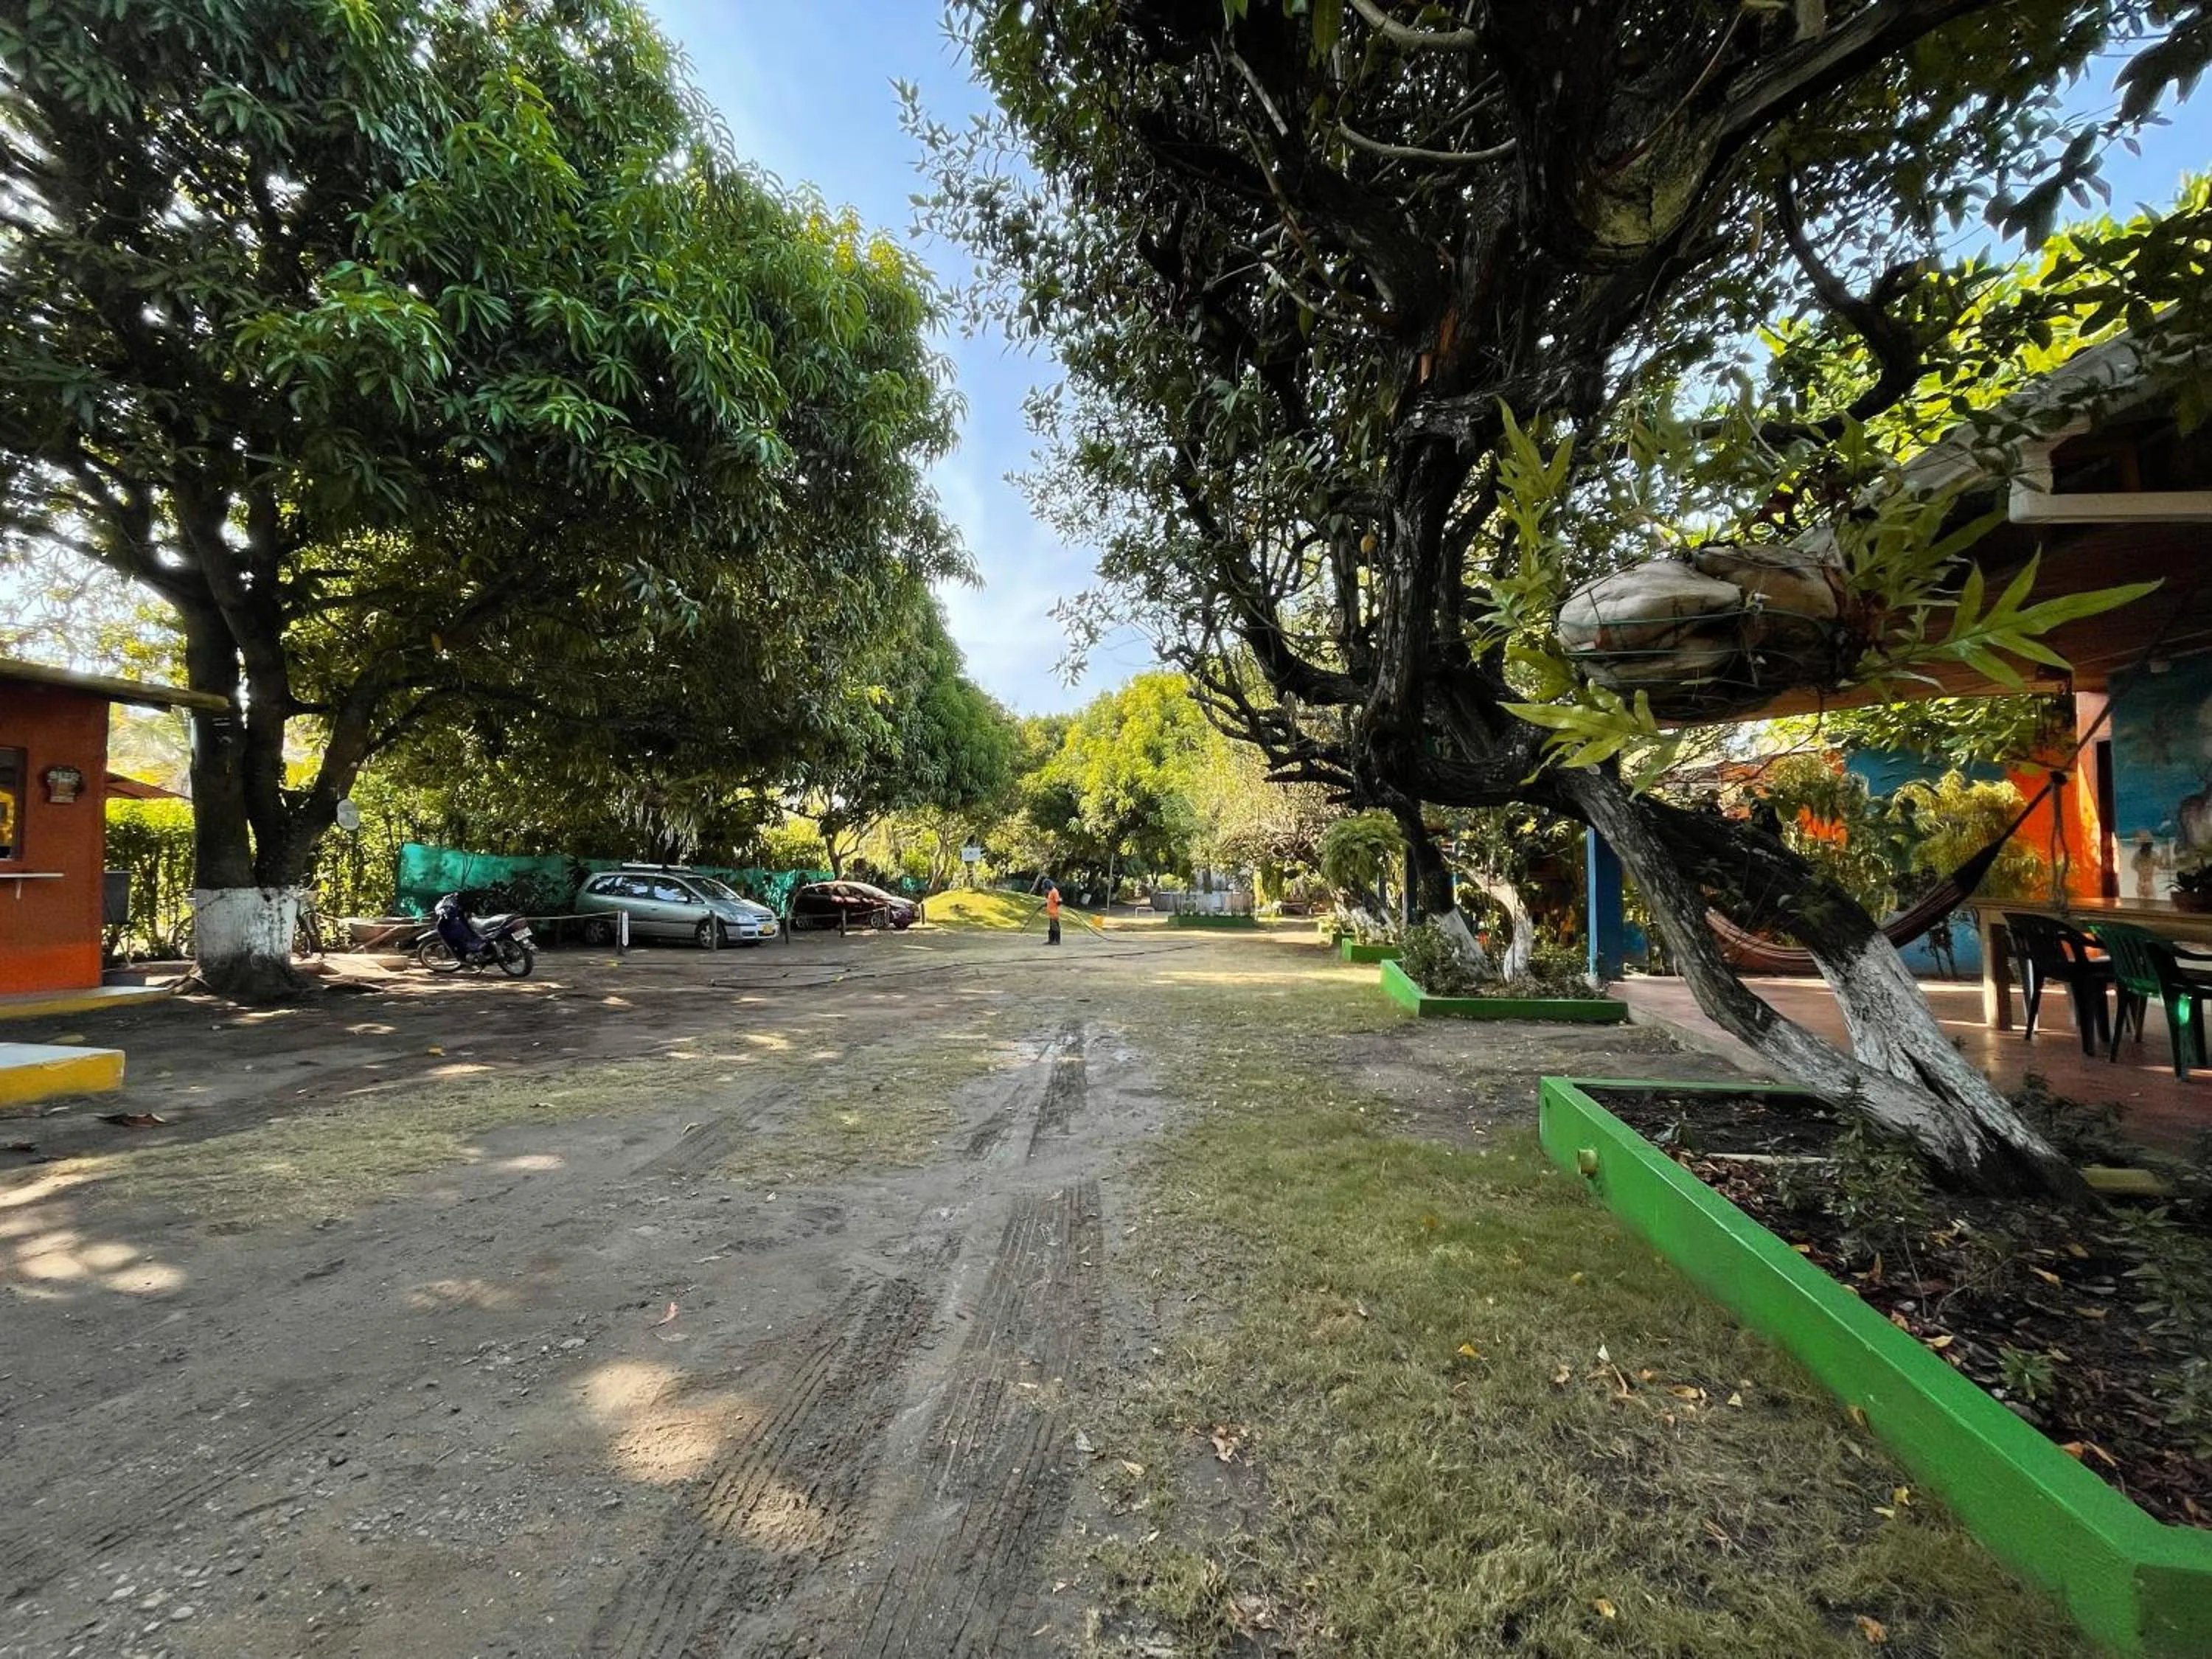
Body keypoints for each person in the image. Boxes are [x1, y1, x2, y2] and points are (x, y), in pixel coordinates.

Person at [1045, 880, 1062, 945]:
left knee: (1055, 927)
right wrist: (1046, 904)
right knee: (1051, 928)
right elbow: (1051, 901)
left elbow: (1057, 902)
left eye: (1046, 887)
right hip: (1051, 913)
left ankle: (1057, 941)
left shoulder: (1054, 891)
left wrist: (1060, 901)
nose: (1046, 888)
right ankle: (1051, 940)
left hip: (1054, 913)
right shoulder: (1051, 892)